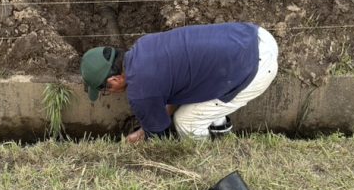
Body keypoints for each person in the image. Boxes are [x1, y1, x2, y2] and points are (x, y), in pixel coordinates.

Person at [80, 22, 278, 143]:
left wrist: (142, 134)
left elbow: (157, 134)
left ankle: (201, 159)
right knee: (200, 102)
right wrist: (146, 127)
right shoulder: (143, 45)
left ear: (115, 78)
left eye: (105, 88)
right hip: (253, 36)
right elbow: (176, 93)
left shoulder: (140, 90)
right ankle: (220, 136)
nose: (110, 92)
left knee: (187, 121)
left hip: (254, 68)